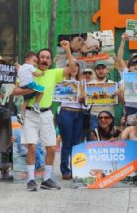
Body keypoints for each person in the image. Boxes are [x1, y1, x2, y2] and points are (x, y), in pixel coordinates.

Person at [12, 40, 77, 191]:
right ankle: (30, 180)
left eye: (48, 57)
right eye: (42, 57)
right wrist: (29, 91)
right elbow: (14, 91)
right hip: (30, 114)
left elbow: (73, 69)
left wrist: (67, 49)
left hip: (47, 114)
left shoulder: (54, 73)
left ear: (50, 60)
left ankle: (47, 179)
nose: (45, 60)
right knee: (32, 148)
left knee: (52, 149)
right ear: (37, 59)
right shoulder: (28, 71)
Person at [58, 61, 85, 180]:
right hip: (66, 112)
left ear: (79, 69)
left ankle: (76, 169)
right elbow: (57, 94)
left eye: (76, 67)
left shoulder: (82, 81)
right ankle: (65, 170)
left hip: (78, 113)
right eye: (71, 66)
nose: (74, 69)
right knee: (67, 143)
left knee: (76, 144)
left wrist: (83, 98)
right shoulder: (62, 79)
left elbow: (86, 99)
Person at [87, 61, 116, 131]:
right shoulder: (89, 85)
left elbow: (120, 101)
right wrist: (84, 96)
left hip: (109, 116)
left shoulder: (113, 84)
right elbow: (85, 104)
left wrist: (119, 93)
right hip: (95, 116)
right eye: (98, 69)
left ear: (106, 70)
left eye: (103, 68)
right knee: (95, 140)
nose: (101, 71)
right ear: (95, 71)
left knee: (109, 141)